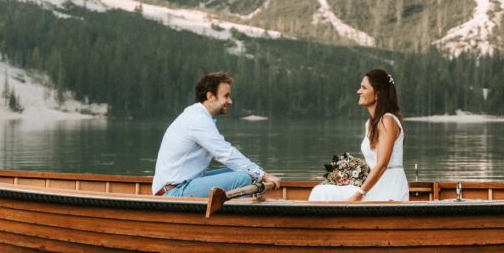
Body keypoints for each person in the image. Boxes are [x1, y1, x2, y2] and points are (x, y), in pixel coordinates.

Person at [153, 72, 282, 197]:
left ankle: (235, 212)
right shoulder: (198, 120)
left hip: (183, 184)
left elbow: (218, 152)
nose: (230, 101)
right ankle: (242, 216)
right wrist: (263, 175)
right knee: (242, 178)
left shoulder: (197, 116)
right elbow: (226, 153)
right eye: (226, 96)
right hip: (173, 191)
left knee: (243, 172)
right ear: (210, 96)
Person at [309, 69, 409, 202]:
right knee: (322, 191)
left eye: (364, 88)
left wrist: (358, 195)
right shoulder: (371, 123)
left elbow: (382, 166)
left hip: (389, 187)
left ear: (377, 94)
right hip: (374, 185)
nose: (358, 91)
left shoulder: (387, 121)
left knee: (322, 192)